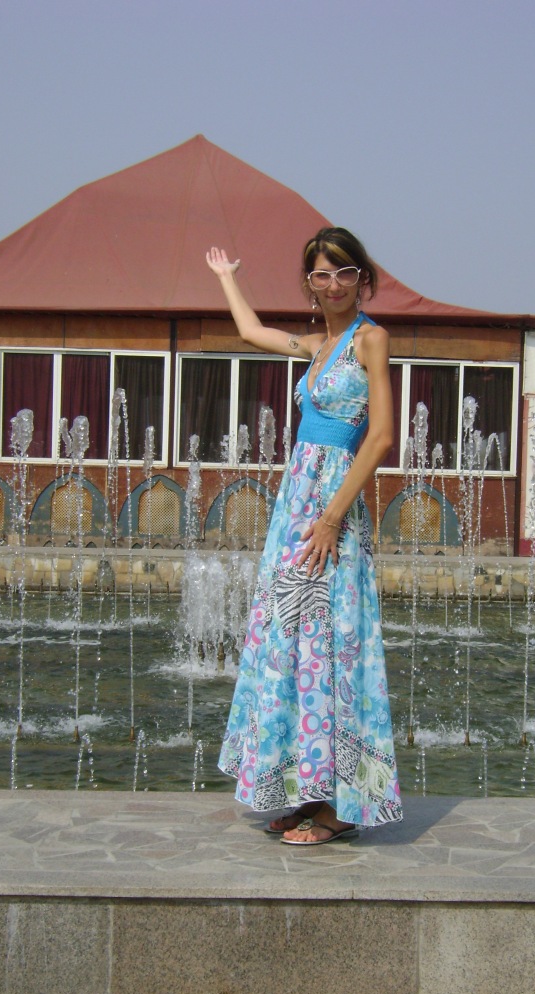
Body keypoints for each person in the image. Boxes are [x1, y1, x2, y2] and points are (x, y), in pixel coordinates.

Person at [206, 227, 402, 845]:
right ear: (310, 283)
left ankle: (344, 807)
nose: (333, 284)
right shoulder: (316, 345)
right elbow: (251, 332)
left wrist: (332, 517)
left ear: (362, 278)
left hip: (331, 510)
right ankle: (308, 790)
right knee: (293, 640)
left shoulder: (370, 339)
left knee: (336, 640)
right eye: (322, 273)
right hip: (297, 507)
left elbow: (381, 436)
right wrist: (227, 278)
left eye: (344, 272)